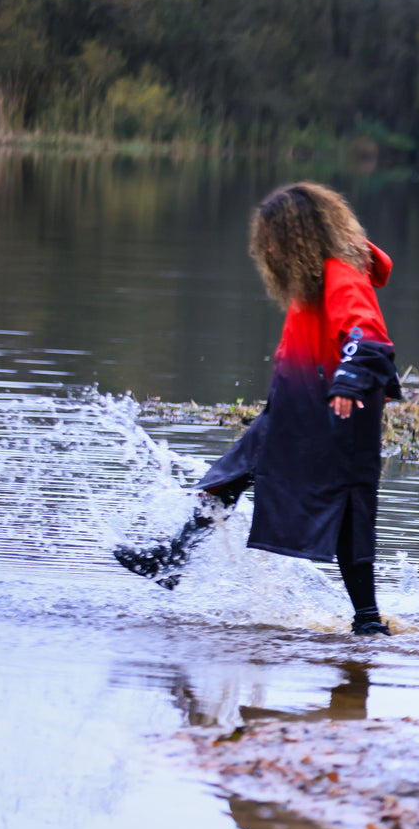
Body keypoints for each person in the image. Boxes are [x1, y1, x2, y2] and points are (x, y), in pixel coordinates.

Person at [114, 182, 401, 636]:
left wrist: (349, 381)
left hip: (339, 412)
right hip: (295, 409)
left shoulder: (341, 273)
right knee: (227, 476)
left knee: (348, 512)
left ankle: (367, 619)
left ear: (301, 235)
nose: (266, 247)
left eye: (274, 236)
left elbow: (368, 336)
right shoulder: (313, 280)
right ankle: (172, 559)